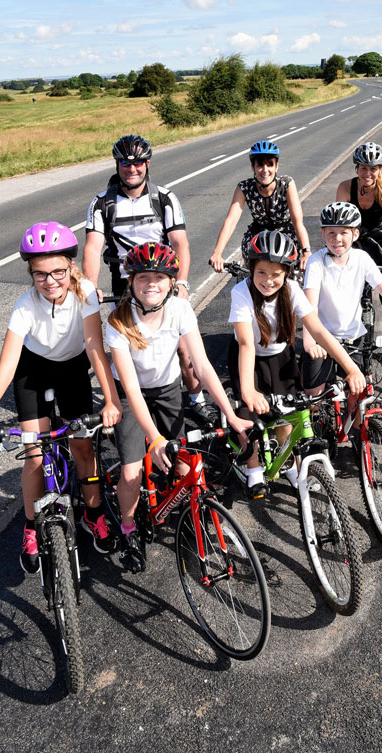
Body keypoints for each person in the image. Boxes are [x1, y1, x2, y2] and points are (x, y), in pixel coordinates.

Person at [0, 222, 122, 574]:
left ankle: (93, 515)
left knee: (81, 446)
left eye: (58, 272)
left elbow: (96, 349)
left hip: (73, 370)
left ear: (71, 267)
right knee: (34, 456)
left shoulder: (87, 293)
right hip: (32, 373)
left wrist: (112, 400)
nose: (50, 281)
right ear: (30, 274)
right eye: (40, 275)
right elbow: (5, 370)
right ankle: (31, 527)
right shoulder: (24, 307)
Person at [105, 242, 253, 574]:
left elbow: (201, 367)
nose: (151, 284)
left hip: (168, 387)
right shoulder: (118, 322)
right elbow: (130, 388)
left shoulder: (180, 310)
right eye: (143, 277)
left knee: (185, 465)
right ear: (131, 282)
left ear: (172, 282)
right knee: (131, 472)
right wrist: (154, 438)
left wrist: (230, 415)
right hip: (131, 396)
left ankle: (190, 515)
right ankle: (128, 528)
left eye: (160, 276)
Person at [83, 133, 216, 424]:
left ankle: (195, 397)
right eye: (125, 163)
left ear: (148, 163)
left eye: (138, 163)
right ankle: (128, 403)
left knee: (182, 346)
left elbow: (180, 244)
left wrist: (181, 282)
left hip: (160, 281)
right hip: (125, 283)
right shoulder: (102, 203)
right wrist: (89, 288)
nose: (132, 169)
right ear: (117, 165)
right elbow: (93, 248)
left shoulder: (164, 199)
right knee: (123, 345)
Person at [228, 229, 366, 499]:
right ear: (251, 269)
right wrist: (248, 391)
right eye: (262, 273)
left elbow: (319, 331)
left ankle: (288, 462)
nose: (268, 281)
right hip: (249, 360)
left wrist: (351, 368)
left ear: (287, 274)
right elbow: (245, 343)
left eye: (276, 274)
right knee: (251, 416)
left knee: (287, 413)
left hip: (281, 357)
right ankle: (254, 467)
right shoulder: (240, 292)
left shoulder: (291, 290)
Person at [301, 202, 382, 441]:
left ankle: (356, 429)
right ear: (323, 233)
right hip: (323, 338)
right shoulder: (316, 262)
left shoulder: (361, 258)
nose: (337, 238)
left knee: (359, 390)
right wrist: (309, 342)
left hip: (354, 335)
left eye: (344, 232)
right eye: (331, 232)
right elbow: (309, 306)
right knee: (312, 395)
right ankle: (313, 434)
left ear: (355, 234)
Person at [336, 142, 382, 336]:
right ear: (357, 168)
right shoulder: (345, 188)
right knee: (354, 291)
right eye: (363, 168)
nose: (367, 173)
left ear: (380, 169)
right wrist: (338, 255)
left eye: (373, 169)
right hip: (358, 242)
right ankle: (353, 338)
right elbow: (339, 226)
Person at [210, 140, 312, 273]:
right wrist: (217, 253)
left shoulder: (286, 184)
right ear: (253, 167)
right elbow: (231, 221)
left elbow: (298, 222)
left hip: (286, 234)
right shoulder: (244, 187)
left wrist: (306, 251)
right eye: (260, 165)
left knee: (293, 273)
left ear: (276, 167)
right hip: (258, 236)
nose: (265, 170)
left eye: (270, 165)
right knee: (251, 274)